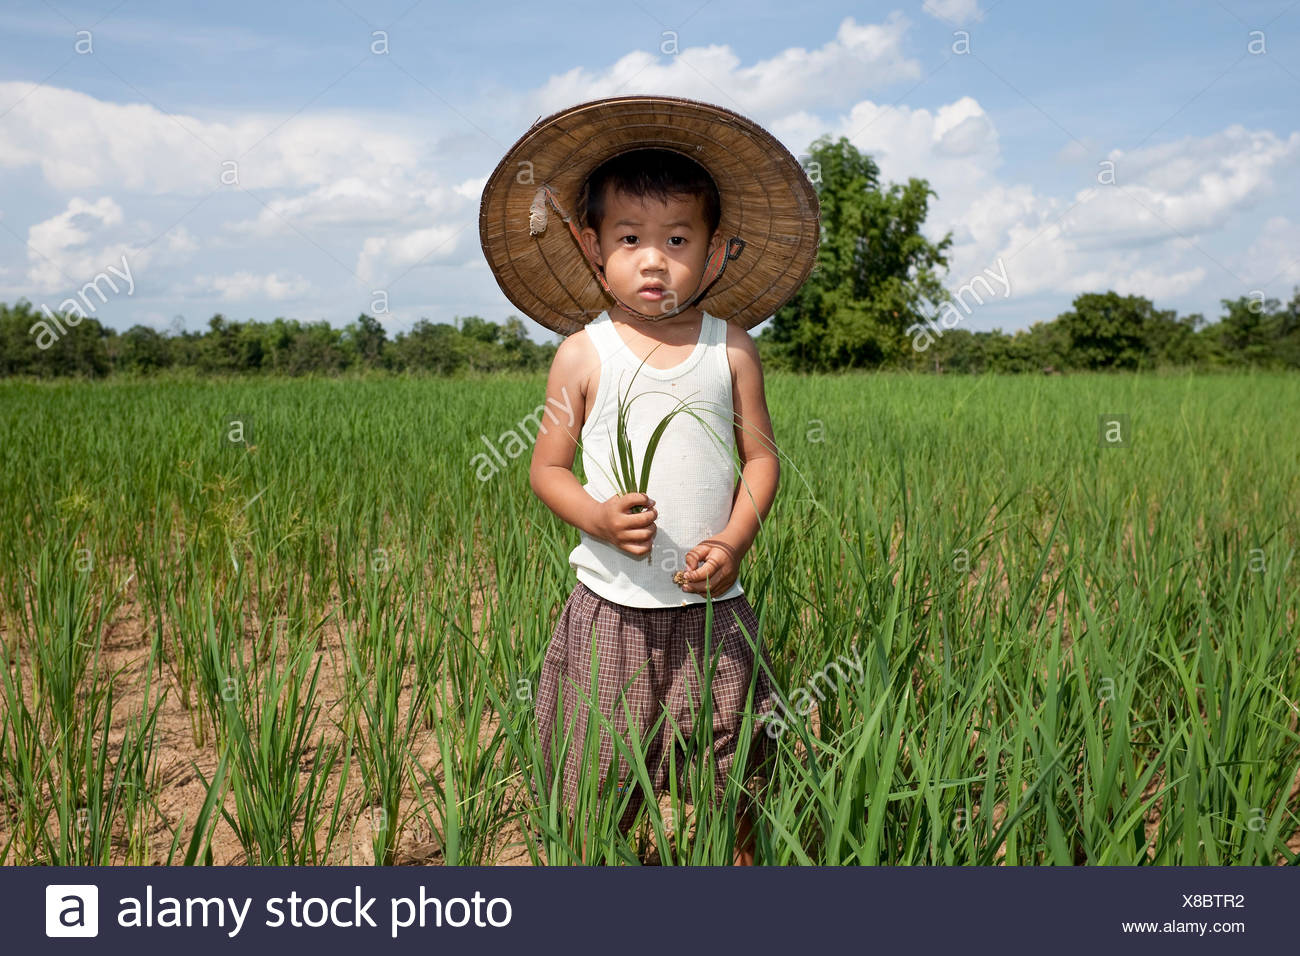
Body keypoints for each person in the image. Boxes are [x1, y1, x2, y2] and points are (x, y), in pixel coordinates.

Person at [478, 95, 820, 865]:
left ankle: (740, 865)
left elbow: (761, 459)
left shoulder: (729, 348)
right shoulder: (583, 354)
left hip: (713, 609)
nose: (655, 259)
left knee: (737, 768)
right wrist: (596, 518)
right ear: (592, 244)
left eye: (677, 238)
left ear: (715, 247)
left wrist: (735, 539)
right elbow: (546, 468)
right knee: (599, 774)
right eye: (631, 238)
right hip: (614, 611)